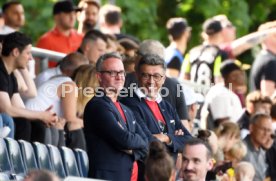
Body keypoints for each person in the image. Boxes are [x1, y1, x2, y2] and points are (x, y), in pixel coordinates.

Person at [83, 52, 148, 181]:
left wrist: (132, 150)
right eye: (112, 73)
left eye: (121, 72)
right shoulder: (98, 106)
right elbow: (124, 139)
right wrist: (133, 141)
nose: (119, 77)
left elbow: (146, 141)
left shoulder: (126, 109)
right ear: (99, 76)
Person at [181, 15, 276, 86]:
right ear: (220, 31)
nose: (234, 28)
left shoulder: (192, 52)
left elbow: (183, 79)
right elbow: (245, 43)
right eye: (229, 26)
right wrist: (271, 32)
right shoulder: (220, 52)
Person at [0, 32, 56, 142]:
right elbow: (7, 109)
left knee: (38, 125)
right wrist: (40, 115)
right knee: (22, 122)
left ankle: (36, 159)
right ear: (16, 52)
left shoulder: (10, 76)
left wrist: (42, 116)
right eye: (28, 53)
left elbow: (20, 109)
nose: (31, 58)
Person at [124, 39, 189, 128]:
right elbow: (184, 125)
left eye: (136, 53)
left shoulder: (124, 80)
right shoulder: (175, 85)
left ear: (140, 58)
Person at [36, 0, 83, 67]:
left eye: (74, 13)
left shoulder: (81, 37)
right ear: (57, 16)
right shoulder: (46, 40)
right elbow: (38, 69)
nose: (72, 17)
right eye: (68, 13)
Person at [200, 60, 244, 130]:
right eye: (241, 73)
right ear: (233, 76)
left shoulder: (224, 91)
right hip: (224, 139)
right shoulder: (221, 94)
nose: (243, 76)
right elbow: (224, 126)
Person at [243, 113, 273, 181]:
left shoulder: (263, 151)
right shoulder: (241, 149)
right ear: (251, 128)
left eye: (268, 130)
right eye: (263, 129)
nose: (266, 134)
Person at [250, 21, 276, 97]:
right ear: (265, 38)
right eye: (275, 35)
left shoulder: (263, 57)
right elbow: (267, 95)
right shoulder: (270, 62)